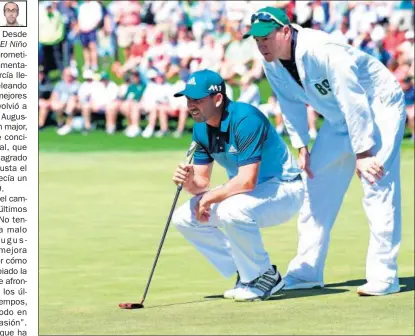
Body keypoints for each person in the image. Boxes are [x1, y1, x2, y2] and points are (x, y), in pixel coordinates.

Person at [244, 7, 407, 296]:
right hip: (337, 117)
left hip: (377, 105)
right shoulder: (271, 62)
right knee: (314, 185)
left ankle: (385, 276)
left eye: (266, 37)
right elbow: (289, 103)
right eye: (256, 39)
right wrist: (301, 145)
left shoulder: (324, 50)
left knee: (376, 183)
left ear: (285, 30)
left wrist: (363, 152)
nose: (261, 44)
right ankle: (307, 270)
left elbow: (353, 98)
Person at [171, 69, 305, 302]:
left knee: (230, 209)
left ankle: (265, 276)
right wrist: (189, 181)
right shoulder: (201, 127)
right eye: (189, 99)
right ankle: (247, 275)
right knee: (184, 217)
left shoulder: (246, 118)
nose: (191, 105)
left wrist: (209, 198)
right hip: (246, 193)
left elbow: (247, 180)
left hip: (285, 188)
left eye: (198, 100)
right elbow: (202, 183)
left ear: (218, 99)